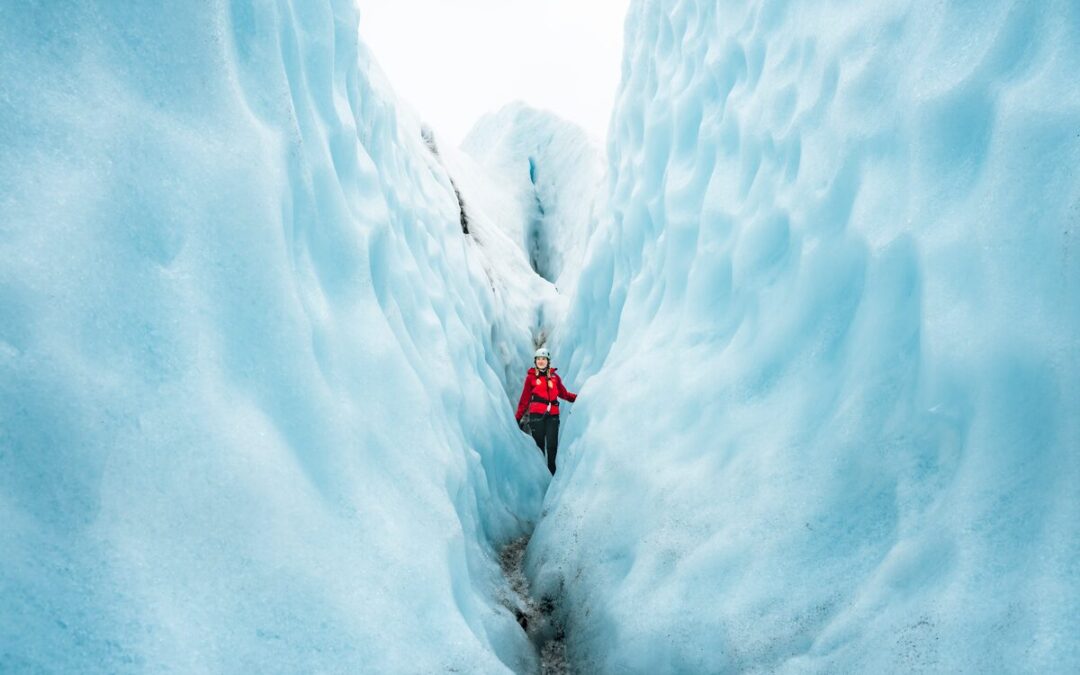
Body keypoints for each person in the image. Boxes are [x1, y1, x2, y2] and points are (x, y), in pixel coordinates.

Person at [515, 347, 577, 474]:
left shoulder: (555, 378)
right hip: (536, 416)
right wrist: (517, 418)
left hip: (553, 416)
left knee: (552, 446)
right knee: (539, 447)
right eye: (538, 359)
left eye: (543, 359)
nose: (541, 361)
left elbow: (564, 394)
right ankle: (540, 474)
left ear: (548, 361)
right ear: (535, 361)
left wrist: (578, 398)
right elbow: (525, 399)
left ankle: (552, 473)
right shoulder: (531, 378)